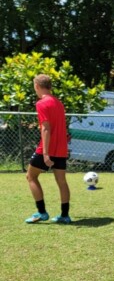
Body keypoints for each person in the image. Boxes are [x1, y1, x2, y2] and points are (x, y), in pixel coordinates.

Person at [25, 74, 71, 224]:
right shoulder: (59, 103)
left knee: (31, 176)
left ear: (37, 86)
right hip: (61, 148)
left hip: (47, 149)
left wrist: (45, 153)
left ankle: (41, 212)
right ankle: (65, 215)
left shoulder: (41, 103)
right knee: (62, 181)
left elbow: (46, 128)